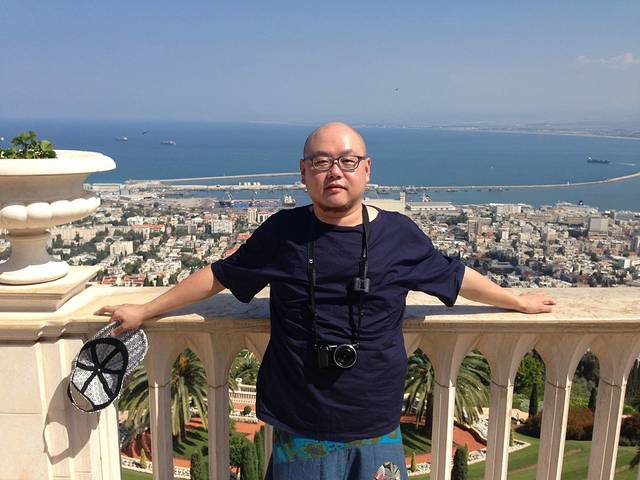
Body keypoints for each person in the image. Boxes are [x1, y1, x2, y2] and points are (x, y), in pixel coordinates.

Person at [95, 122, 555, 480]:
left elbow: (454, 277)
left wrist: (516, 301)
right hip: (300, 419)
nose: (335, 171)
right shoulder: (283, 232)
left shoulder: (398, 235)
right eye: (321, 162)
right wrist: (145, 310)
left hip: (376, 419)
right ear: (303, 173)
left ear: (367, 169)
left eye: (347, 161)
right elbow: (218, 276)